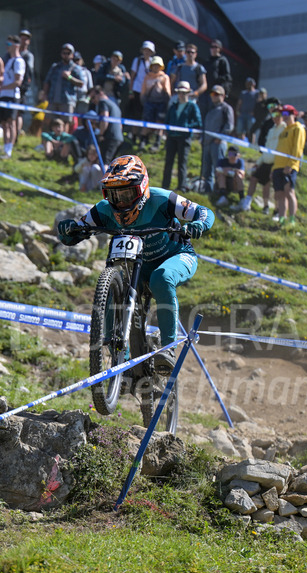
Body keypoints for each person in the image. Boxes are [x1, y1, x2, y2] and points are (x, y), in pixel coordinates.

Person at [56, 155, 214, 372]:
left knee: (162, 278)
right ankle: (121, 362)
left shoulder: (162, 199)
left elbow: (204, 213)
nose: (120, 201)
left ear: (141, 188)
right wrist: (69, 230)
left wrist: (198, 225)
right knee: (113, 291)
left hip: (176, 256)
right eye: (114, 194)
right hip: (138, 268)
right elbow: (77, 231)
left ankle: (168, 348)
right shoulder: (103, 209)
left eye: (126, 194)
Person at [236, 99, 282, 212]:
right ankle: (247, 202)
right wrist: (258, 162)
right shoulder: (269, 128)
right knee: (254, 178)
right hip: (265, 159)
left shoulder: (284, 128)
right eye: (273, 113)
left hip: (276, 162)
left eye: (277, 113)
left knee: (268, 184)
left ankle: (270, 207)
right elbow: (265, 146)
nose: (274, 115)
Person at [162, 81, 201, 191]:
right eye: (180, 92)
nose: (182, 95)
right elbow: (167, 120)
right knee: (168, 161)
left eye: (184, 93)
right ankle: (165, 185)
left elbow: (198, 123)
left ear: (188, 93)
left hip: (184, 139)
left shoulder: (192, 106)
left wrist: (186, 126)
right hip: (172, 137)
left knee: (182, 163)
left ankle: (182, 186)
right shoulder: (173, 106)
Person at [271, 104, 306, 224]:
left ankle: (292, 219)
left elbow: (297, 148)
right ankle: (282, 218)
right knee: (280, 194)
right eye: (282, 114)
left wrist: (291, 164)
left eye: (286, 114)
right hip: (278, 166)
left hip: (289, 166)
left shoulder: (298, 128)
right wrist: (274, 167)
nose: (284, 117)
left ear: (293, 115)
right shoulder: (283, 131)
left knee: (289, 192)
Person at [39, 43, 84, 124]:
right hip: (53, 99)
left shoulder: (76, 68)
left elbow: (81, 83)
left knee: (65, 123)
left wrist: (69, 77)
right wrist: (44, 94)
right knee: (48, 121)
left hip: (67, 101)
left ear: (72, 55)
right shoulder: (55, 67)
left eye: (68, 53)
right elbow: (47, 81)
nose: (66, 55)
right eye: (64, 53)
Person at [0, 35, 25, 158]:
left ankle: (9, 150)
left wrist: (3, 88)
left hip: (12, 96)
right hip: (3, 95)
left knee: (10, 122)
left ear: (16, 46)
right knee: (4, 123)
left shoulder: (19, 61)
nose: (7, 47)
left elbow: (18, 82)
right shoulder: (9, 61)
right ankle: (5, 147)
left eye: (9, 44)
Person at [201, 85, 233, 190]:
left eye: (216, 94)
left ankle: (219, 190)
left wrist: (220, 137)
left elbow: (229, 125)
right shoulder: (210, 109)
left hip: (217, 143)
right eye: (212, 94)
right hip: (206, 143)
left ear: (223, 95)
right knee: (207, 170)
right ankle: (208, 190)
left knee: (218, 169)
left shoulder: (226, 108)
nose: (213, 96)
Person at [139, 56, 171, 151]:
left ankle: (157, 143)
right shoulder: (147, 77)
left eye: (158, 65)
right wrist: (143, 101)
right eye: (154, 65)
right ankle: (143, 141)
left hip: (161, 103)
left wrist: (167, 103)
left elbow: (167, 91)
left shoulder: (164, 77)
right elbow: (143, 91)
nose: (156, 67)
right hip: (149, 103)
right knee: (147, 122)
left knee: (159, 123)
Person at [89, 86, 124, 164]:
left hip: (109, 137)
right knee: (110, 163)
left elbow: (105, 118)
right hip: (118, 138)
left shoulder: (103, 102)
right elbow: (120, 125)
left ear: (101, 93)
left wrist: (101, 134)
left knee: (105, 163)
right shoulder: (115, 105)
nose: (93, 101)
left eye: (93, 97)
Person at [200, 39, 231, 118]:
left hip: (215, 93)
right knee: (203, 113)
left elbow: (227, 77)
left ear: (219, 49)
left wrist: (217, 81)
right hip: (206, 92)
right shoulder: (207, 61)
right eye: (212, 47)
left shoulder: (222, 60)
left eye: (215, 47)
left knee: (213, 114)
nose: (213, 49)